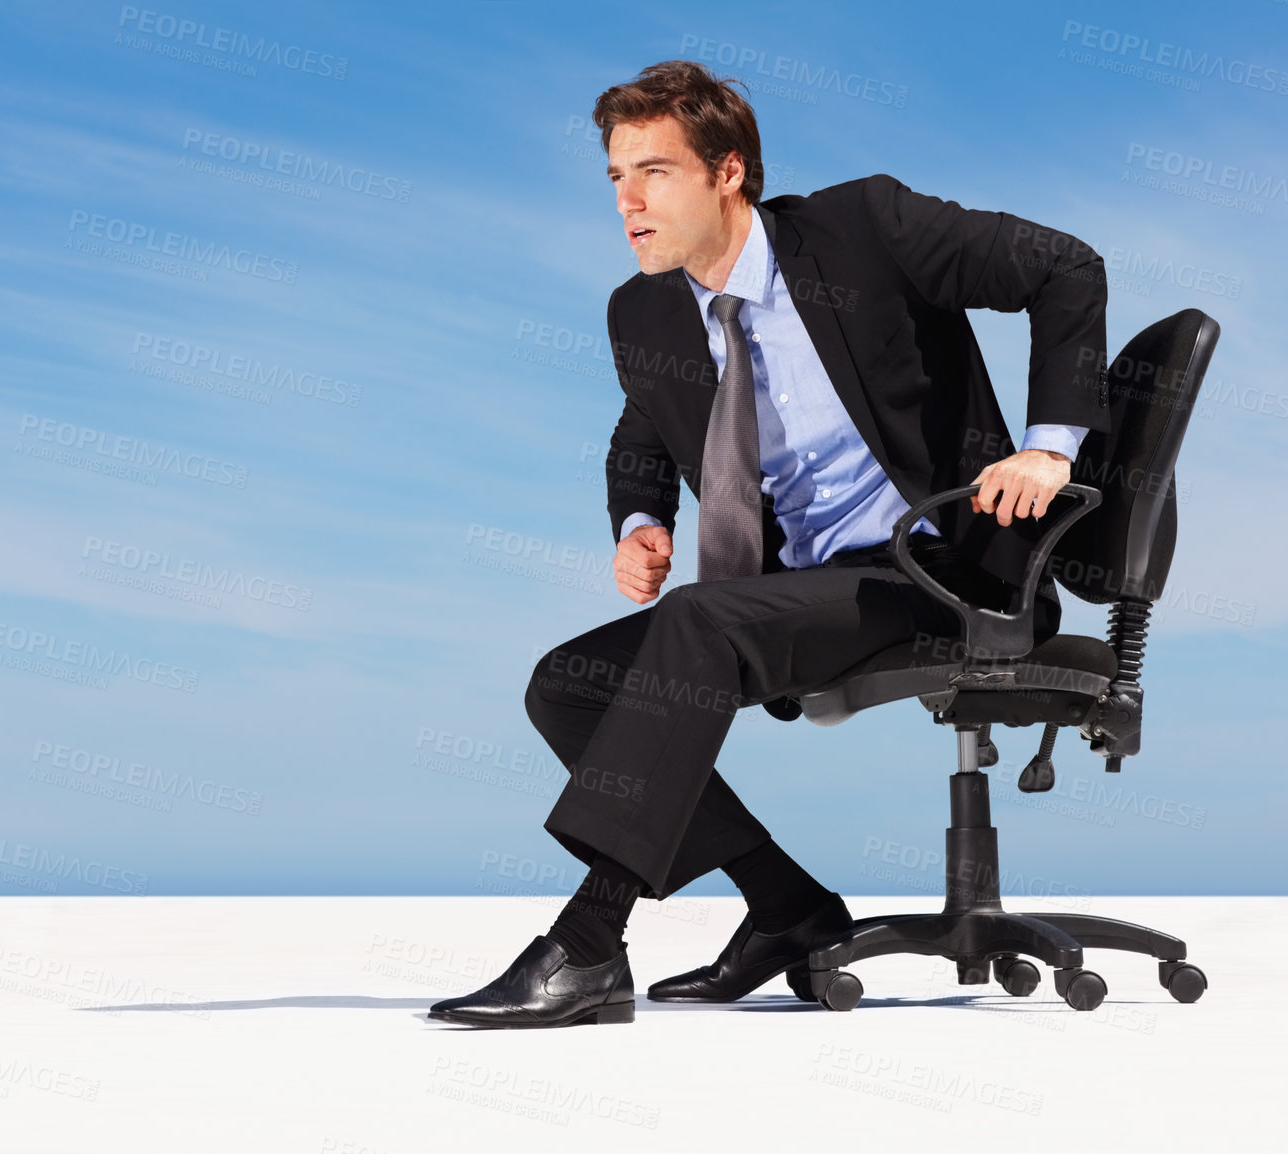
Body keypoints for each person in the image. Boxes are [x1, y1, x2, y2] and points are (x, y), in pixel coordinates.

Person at [429, 60, 1109, 1028]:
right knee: (570, 680)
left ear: (727, 172)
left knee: (699, 622)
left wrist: (1047, 448)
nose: (626, 200)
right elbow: (640, 435)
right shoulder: (645, 307)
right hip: (811, 589)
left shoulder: (865, 229)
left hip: (946, 572)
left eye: (653, 171)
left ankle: (585, 947)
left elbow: (1064, 265)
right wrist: (641, 521)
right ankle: (788, 909)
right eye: (615, 177)